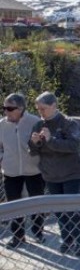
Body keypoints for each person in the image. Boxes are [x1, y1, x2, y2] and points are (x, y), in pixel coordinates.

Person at [28, 91, 80, 257]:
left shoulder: (69, 123)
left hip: (71, 173)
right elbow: (33, 152)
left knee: (72, 209)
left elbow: (73, 146)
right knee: (59, 210)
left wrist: (50, 140)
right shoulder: (38, 125)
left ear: (54, 106)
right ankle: (67, 240)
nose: (40, 112)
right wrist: (34, 144)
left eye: (43, 108)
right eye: (38, 109)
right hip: (50, 174)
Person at [0, 93, 46, 248]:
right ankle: (18, 236)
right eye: (4, 108)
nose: (6, 111)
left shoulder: (35, 122)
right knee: (14, 204)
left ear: (20, 108)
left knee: (36, 202)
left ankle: (38, 231)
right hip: (11, 171)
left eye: (9, 108)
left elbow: (44, 146)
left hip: (33, 170)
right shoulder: (2, 125)